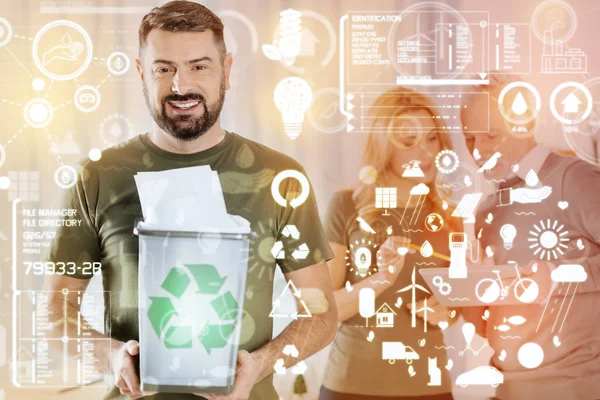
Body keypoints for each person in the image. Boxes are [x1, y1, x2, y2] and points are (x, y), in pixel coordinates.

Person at [42, 2, 338, 400]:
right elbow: (55, 313)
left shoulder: (280, 177)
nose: (181, 85)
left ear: (227, 70)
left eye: (199, 66)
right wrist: (110, 356)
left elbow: (321, 313)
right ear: (141, 74)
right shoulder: (97, 176)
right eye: (164, 68)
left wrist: (260, 365)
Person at [460, 74, 600, 399]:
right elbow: (483, 326)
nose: (478, 151)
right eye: (469, 139)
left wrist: (556, 278)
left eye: (490, 136)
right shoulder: (485, 211)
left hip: (573, 387)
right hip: (504, 388)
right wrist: (471, 291)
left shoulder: (577, 180)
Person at [319, 88, 461, 400]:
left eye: (432, 138)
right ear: (384, 148)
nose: (425, 152)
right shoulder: (346, 205)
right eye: (409, 141)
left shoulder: (451, 217)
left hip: (430, 388)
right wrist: (382, 278)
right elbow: (326, 309)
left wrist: (447, 310)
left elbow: (454, 307)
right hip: (351, 386)